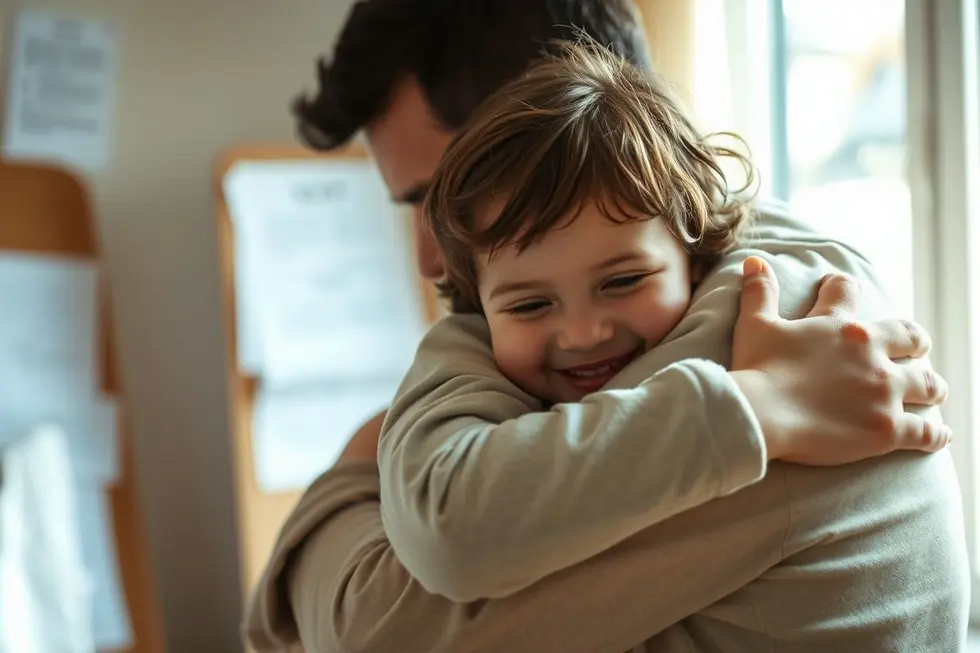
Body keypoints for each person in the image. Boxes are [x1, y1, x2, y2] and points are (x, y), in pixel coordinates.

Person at [244, 2, 966, 652]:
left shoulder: (775, 330)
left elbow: (385, 632)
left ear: (556, 119)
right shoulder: (642, 304)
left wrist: (345, 484)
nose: (433, 258)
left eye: (443, 195)